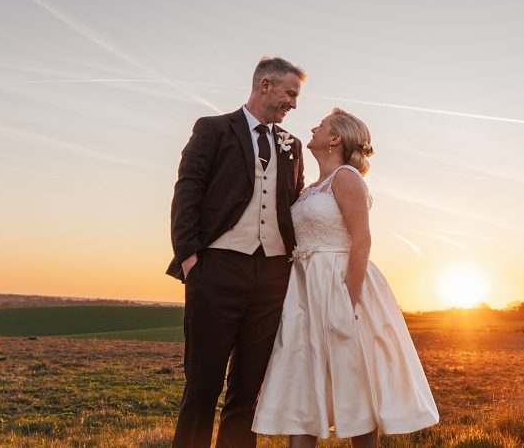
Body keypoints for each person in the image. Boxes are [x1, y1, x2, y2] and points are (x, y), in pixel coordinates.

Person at [252, 108, 439, 447]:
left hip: (340, 283)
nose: (313, 127)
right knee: (302, 375)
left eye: (321, 125)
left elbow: (362, 239)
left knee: (352, 375)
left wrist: (346, 302)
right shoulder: (311, 187)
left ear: (335, 138)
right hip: (305, 289)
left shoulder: (346, 177)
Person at [167, 56, 307, 448]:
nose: (293, 104)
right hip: (216, 271)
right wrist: (191, 256)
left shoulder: (291, 145)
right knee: (202, 388)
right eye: (290, 93)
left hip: (272, 278)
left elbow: (293, 203)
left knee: (248, 392)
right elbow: (188, 190)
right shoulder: (213, 129)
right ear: (265, 85)